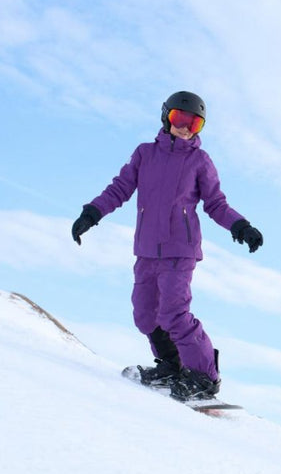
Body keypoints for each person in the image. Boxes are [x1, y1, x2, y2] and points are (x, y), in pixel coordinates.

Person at [72, 90, 263, 403]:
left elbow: (215, 203)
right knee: (145, 315)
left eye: (194, 123)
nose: (185, 127)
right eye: (179, 118)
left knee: (174, 313)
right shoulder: (144, 154)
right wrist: (91, 214)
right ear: (166, 117)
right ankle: (173, 366)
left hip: (180, 250)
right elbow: (119, 189)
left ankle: (203, 377)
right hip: (146, 249)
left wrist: (240, 226)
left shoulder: (199, 161)